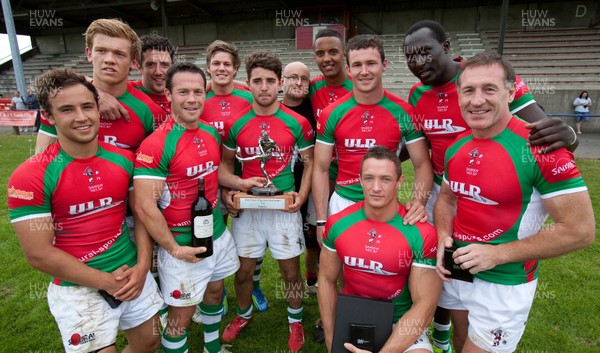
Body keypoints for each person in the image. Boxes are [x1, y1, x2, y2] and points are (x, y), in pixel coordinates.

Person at [403, 20, 580, 352]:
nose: (419, 62)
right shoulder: (418, 95)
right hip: (450, 188)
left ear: (447, 48)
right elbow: (416, 144)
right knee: (444, 272)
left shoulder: (482, 76)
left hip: (499, 191)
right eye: (410, 56)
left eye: (425, 52)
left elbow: (542, 131)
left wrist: (568, 135)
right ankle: (445, 332)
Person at [434, 52, 595, 353]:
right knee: (460, 340)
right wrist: (444, 235)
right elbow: (447, 199)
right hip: (458, 271)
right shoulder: (457, 146)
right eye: (468, 90)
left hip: (505, 282)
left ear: (510, 92)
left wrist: (497, 254)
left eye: (489, 89)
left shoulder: (542, 147)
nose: (477, 100)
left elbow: (580, 230)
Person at [7, 68, 163, 353]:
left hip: (131, 272)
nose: (81, 117)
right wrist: (105, 281)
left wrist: (142, 267)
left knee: (149, 341)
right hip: (77, 286)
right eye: (67, 109)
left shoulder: (125, 159)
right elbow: (38, 254)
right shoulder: (29, 176)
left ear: (98, 109)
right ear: (49, 117)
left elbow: (141, 213)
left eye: (87, 106)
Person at [133, 62, 245, 353]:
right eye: (183, 91)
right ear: (168, 95)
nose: (192, 99)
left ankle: (212, 347)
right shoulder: (155, 145)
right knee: (180, 317)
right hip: (182, 246)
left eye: (198, 91)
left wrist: (240, 183)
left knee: (216, 291)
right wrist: (173, 249)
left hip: (217, 235)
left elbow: (212, 171)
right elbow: (145, 207)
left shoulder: (209, 133)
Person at [219, 51, 314, 352]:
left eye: (270, 81)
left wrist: (302, 194)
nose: (264, 87)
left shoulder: (297, 122)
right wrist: (230, 191)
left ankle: (295, 321)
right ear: (247, 83)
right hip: (247, 207)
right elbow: (224, 167)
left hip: (283, 206)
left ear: (280, 83)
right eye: (257, 81)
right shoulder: (236, 123)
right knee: (243, 271)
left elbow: (310, 163)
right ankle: (244, 315)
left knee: (290, 272)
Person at [312, 34, 432, 247]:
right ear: (348, 70)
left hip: (386, 204)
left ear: (384, 65)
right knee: (340, 269)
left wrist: (418, 203)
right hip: (343, 202)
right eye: (357, 65)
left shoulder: (404, 112)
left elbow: (422, 163)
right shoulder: (332, 113)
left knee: (384, 267)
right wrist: (321, 220)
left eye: (371, 63)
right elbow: (320, 169)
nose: (364, 71)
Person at [319, 145, 441, 353]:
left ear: (399, 182)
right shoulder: (338, 224)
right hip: (353, 317)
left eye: (385, 179)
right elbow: (326, 280)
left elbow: (425, 305)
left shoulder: (421, 233)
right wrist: (332, 340)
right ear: (360, 180)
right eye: (369, 178)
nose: (376, 187)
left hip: (400, 322)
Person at [35, 18, 164, 153]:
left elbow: (157, 164)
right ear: (89, 54)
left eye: (119, 54)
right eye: (101, 51)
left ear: (134, 62)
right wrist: (96, 95)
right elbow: (41, 161)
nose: (109, 60)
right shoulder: (61, 102)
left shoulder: (151, 111)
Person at [282, 61, 320, 296]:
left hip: (312, 181)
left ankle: (312, 281)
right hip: (283, 184)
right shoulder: (271, 108)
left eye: (304, 79)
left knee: (314, 237)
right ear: (281, 80)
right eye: (292, 77)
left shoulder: (316, 107)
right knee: (284, 238)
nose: (298, 82)